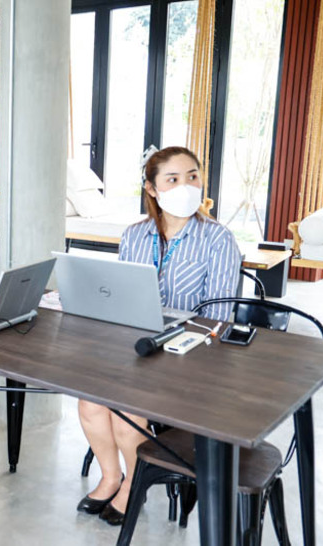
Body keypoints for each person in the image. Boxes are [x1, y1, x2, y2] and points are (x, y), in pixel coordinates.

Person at [77, 146, 240, 525]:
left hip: (190, 357)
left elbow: (218, 320)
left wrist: (171, 344)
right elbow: (121, 297)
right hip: (135, 348)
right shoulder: (134, 235)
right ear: (152, 189)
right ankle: (111, 476)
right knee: (89, 401)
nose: (186, 186)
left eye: (192, 176)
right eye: (173, 179)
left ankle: (134, 484)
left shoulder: (218, 239)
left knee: (126, 411)